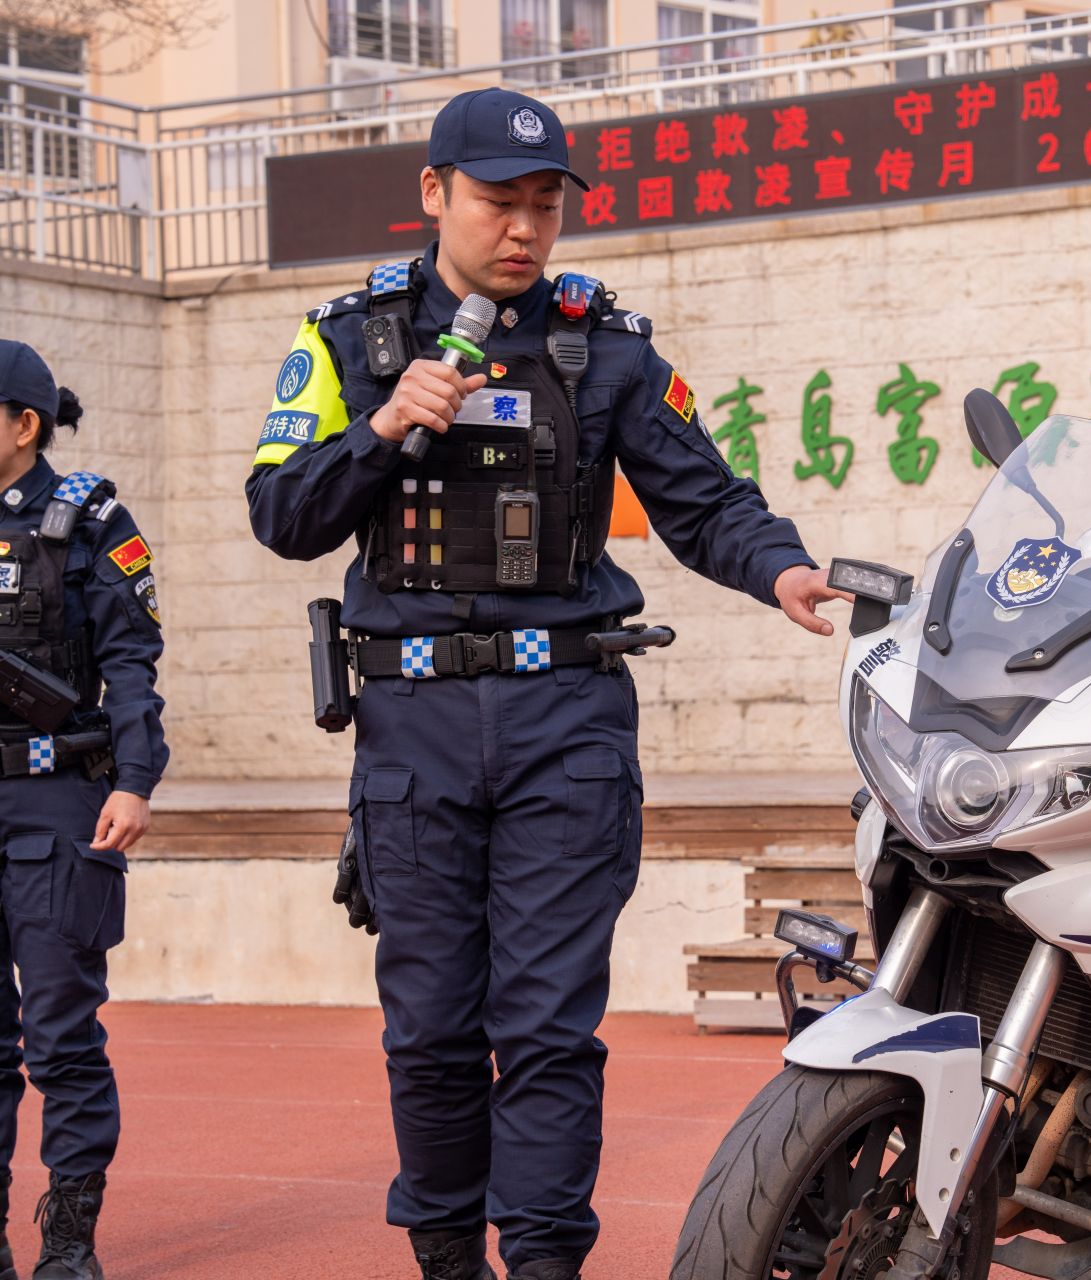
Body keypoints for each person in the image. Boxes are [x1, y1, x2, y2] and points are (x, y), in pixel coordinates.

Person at [244, 88, 847, 1280]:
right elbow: (280, 513)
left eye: (544, 205)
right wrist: (382, 428)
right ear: (434, 193)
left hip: (566, 725)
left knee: (547, 1031)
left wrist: (780, 567)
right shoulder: (347, 340)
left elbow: (705, 500)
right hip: (412, 724)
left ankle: (542, 1264)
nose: (523, 228)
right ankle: (445, 1259)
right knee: (430, 1031)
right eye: (496, 201)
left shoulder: (605, 344)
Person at [0, 340, 166, 1280]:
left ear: (25, 425)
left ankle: (68, 1241)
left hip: (58, 800)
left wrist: (135, 780)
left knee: (61, 1034)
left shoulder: (90, 519)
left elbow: (132, 663)